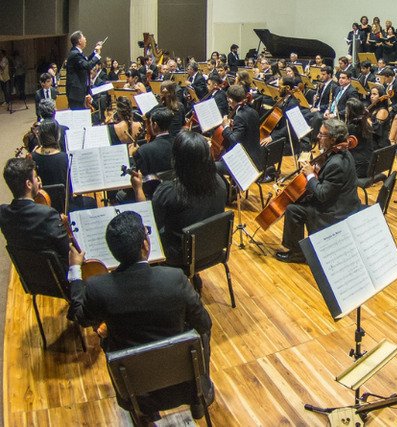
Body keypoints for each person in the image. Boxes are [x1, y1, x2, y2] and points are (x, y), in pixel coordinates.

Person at [68, 211, 214, 423]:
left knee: (107, 338)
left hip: (136, 390)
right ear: (146, 245)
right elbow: (204, 324)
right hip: (183, 383)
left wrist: (74, 270)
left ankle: (145, 416)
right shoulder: (174, 279)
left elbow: (81, 318)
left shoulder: (98, 288)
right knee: (203, 333)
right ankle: (200, 397)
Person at [131, 131, 227, 273]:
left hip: (180, 257)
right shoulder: (220, 182)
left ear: (177, 159)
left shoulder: (169, 191)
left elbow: (147, 224)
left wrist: (138, 189)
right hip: (213, 251)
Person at [276, 119, 362, 263]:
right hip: (342, 202)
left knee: (293, 209)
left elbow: (322, 194)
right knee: (301, 200)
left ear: (333, 139)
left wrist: (310, 175)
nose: (318, 137)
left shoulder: (337, 164)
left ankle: (297, 253)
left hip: (335, 212)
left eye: (322, 135)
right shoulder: (342, 153)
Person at [0, 158, 70, 267]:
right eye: (36, 177)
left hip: (28, 273)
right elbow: (68, 252)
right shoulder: (47, 214)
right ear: (28, 184)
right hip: (56, 274)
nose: (38, 180)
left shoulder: (3, 213)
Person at [31, 121, 97, 211]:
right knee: (91, 202)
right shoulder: (64, 157)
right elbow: (72, 187)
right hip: (65, 206)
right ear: (57, 136)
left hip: (43, 205)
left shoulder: (33, 157)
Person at [221, 85, 262, 169]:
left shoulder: (239, 116)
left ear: (230, 100)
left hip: (245, 161)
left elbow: (235, 140)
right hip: (257, 157)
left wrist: (226, 127)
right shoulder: (253, 111)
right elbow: (247, 129)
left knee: (215, 166)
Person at [65, 31, 103, 110]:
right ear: (79, 41)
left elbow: (86, 60)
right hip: (76, 92)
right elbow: (87, 66)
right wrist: (97, 55)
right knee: (78, 115)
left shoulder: (76, 52)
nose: (85, 39)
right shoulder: (75, 54)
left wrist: (94, 52)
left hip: (78, 92)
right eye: (84, 37)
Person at [345, 98, 374, 177]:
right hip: (369, 166)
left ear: (350, 113)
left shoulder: (350, 128)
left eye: (346, 111)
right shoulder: (367, 124)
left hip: (357, 168)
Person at [368, 85, 392, 149]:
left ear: (380, 96)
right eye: (371, 94)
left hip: (379, 144)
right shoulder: (374, 108)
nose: (371, 96)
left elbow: (374, 129)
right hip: (372, 140)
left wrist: (366, 118)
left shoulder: (382, 111)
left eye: (374, 94)